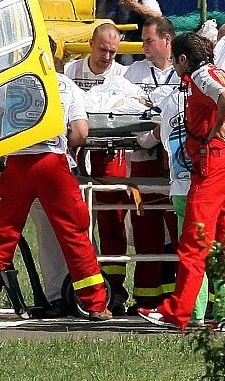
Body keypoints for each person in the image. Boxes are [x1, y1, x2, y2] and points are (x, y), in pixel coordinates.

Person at [137, 33, 225, 330]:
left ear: (182, 59)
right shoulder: (218, 73)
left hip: (212, 165)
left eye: (176, 61)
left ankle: (176, 312)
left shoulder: (201, 76)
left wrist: (219, 126)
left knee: (194, 241)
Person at [0, 71, 112, 322]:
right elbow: (81, 132)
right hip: (53, 162)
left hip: (17, 163)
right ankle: (96, 304)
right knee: (74, 233)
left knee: (2, 234)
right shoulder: (66, 84)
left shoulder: (11, 81)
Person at [64, 23, 131, 315]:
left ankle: (115, 286)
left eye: (113, 52)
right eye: (103, 50)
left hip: (109, 152)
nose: (107, 57)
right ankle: (82, 281)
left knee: (112, 217)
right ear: (91, 44)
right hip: (77, 151)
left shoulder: (121, 75)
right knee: (77, 220)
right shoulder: (71, 72)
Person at [124, 16, 180, 311]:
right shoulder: (133, 72)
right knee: (145, 229)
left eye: (149, 40)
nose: (143, 45)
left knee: (179, 228)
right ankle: (146, 297)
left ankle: (180, 296)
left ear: (166, 41)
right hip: (142, 158)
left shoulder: (183, 70)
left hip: (175, 162)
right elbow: (124, 106)